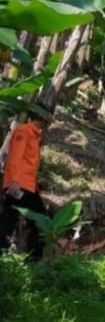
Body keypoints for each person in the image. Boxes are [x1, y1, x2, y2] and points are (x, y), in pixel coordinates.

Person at [0, 103, 52, 260]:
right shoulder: (24, 131)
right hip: (20, 185)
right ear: (43, 119)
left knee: (11, 218)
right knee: (39, 220)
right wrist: (15, 182)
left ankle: (28, 256)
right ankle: (35, 258)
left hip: (26, 185)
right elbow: (15, 157)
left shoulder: (34, 136)